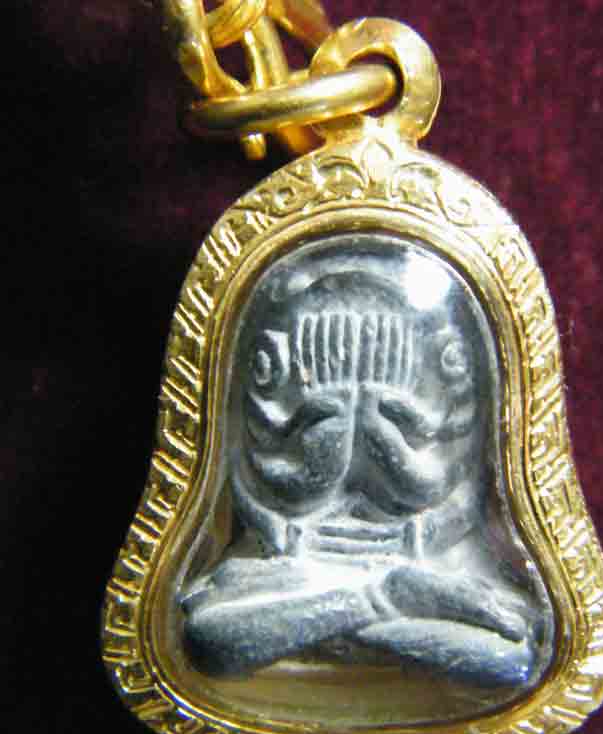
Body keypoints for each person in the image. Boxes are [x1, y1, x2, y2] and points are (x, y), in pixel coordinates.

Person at [181, 236, 546, 689]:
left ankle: (364, 612)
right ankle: (379, 601)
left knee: (508, 660)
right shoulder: (283, 424)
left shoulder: (438, 426)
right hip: (285, 578)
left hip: (425, 566)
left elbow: (465, 497)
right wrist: (385, 597)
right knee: (207, 639)